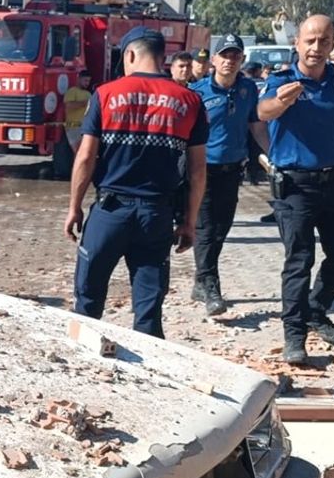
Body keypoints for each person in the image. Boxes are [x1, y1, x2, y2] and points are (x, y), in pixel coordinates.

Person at [64, 27, 207, 339]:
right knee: (148, 310)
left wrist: (74, 207)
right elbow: (197, 171)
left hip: (109, 213)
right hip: (156, 217)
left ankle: (83, 372)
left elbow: (87, 157)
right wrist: (189, 222)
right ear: (163, 58)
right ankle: (150, 380)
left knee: (87, 302)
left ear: (130, 55)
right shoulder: (190, 101)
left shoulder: (105, 94)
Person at [257, 14, 334, 364]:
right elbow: (264, 112)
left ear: (333, 44)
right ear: (297, 44)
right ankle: (294, 336)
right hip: (294, 186)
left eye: (324, 40)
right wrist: (283, 101)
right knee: (299, 260)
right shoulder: (281, 81)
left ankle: (316, 310)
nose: (317, 47)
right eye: (310, 41)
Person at [188, 34, 268, 316]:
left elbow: (256, 127)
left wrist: (273, 154)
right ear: (213, 59)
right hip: (203, 171)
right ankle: (211, 287)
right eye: (224, 55)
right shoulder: (197, 92)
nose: (229, 61)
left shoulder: (247, 89)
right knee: (206, 229)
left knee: (221, 228)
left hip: (233, 171)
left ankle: (201, 280)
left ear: (242, 60)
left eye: (235, 56)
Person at [63, 69, 92, 150]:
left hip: (84, 127)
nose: (87, 83)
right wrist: (84, 103)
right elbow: (68, 106)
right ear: (79, 79)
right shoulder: (72, 91)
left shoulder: (88, 94)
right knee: (78, 150)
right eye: (85, 80)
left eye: (88, 81)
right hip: (73, 126)